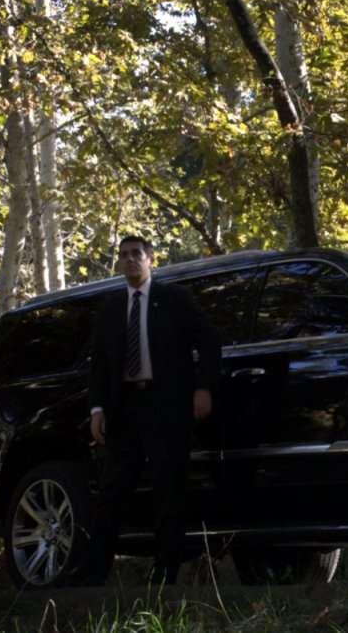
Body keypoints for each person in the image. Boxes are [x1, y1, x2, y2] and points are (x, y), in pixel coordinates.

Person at [70, 235, 220, 586]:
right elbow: (100, 365)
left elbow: (210, 341)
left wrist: (204, 387)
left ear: (151, 259)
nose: (130, 260)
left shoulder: (175, 300)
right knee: (112, 491)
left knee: (168, 489)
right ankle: (93, 572)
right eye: (123, 256)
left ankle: (164, 573)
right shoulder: (110, 308)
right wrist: (97, 408)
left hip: (167, 407)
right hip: (124, 409)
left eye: (136, 254)